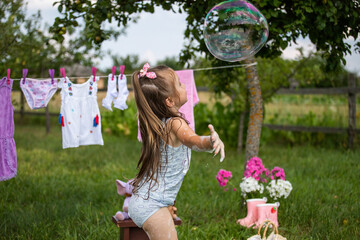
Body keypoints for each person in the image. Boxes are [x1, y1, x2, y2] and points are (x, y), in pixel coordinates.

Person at [128, 63, 225, 240]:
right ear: (170, 101)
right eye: (180, 84)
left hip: (146, 201)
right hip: (152, 205)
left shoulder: (158, 123)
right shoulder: (175, 123)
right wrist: (210, 141)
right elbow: (193, 141)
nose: (184, 86)